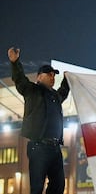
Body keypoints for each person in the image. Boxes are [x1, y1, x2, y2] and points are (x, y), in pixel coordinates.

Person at [8, 47, 70, 194]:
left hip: (55, 148)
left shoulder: (55, 96)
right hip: (39, 147)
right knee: (37, 187)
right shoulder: (32, 91)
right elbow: (20, 80)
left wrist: (67, 79)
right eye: (49, 74)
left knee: (58, 185)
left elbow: (63, 92)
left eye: (54, 75)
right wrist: (15, 62)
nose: (52, 77)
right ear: (39, 77)